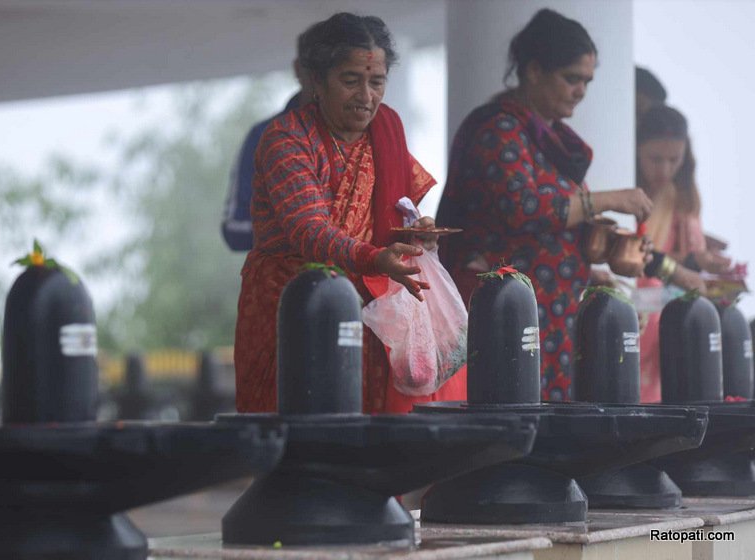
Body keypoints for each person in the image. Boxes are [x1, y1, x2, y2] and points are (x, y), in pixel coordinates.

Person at [234, 13, 466, 413]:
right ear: (316, 82)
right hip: (293, 307)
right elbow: (310, 231)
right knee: (296, 437)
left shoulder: (386, 133)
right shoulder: (286, 139)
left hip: (368, 313)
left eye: (376, 82)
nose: (366, 96)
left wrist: (416, 236)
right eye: (350, 80)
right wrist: (374, 258)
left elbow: (399, 213)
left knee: (373, 445)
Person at [436, 9, 653, 401]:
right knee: (510, 426)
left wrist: (592, 271)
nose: (581, 90)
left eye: (587, 80)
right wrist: (612, 198)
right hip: (507, 316)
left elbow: (557, 225)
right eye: (571, 78)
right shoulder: (497, 128)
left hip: (554, 316)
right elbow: (526, 207)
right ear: (533, 70)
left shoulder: (551, 140)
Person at [636, 104, 732, 402]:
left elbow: (671, 258)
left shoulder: (681, 196)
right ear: (635, 149)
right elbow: (634, 252)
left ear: (685, 156)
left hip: (663, 306)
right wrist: (690, 261)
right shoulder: (623, 188)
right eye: (654, 159)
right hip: (632, 299)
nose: (664, 170)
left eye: (673, 160)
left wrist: (696, 258)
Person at [221, 40, 315, 251]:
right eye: (318, 69)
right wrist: (304, 232)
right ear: (299, 69)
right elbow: (234, 230)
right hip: (284, 281)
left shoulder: (372, 138)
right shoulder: (263, 136)